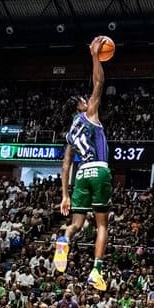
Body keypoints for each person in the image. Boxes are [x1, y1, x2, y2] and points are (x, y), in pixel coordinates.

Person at [54, 36, 112, 292]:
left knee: (77, 224)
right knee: (101, 224)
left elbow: (66, 165)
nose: (87, 100)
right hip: (98, 170)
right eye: (83, 99)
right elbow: (99, 81)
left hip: (80, 176)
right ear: (81, 105)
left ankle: (64, 239)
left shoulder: (69, 133)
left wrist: (65, 195)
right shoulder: (89, 114)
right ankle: (96, 272)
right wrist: (95, 55)